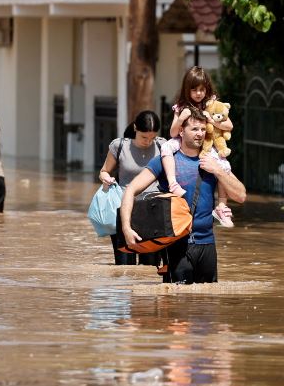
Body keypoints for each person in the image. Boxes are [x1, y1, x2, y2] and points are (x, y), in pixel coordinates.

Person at [120, 107, 247, 284]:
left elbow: (241, 196)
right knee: (176, 306)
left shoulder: (213, 161)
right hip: (176, 244)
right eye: (194, 129)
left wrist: (217, 170)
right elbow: (130, 190)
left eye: (203, 129)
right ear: (181, 131)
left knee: (207, 304)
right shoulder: (166, 161)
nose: (200, 134)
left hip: (207, 244)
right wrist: (126, 228)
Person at [162, 66, 236, 227]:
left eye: (202, 89)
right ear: (186, 89)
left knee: (224, 167)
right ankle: (172, 182)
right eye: (194, 89)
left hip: (208, 144)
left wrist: (212, 120)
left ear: (207, 89)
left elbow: (229, 125)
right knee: (166, 147)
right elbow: (173, 132)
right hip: (184, 142)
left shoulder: (211, 104)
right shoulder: (181, 106)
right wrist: (181, 119)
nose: (198, 93)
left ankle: (222, 206)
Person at [98, 111, 167, 267]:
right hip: (124, 210)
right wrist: (106, 178)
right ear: (135, 128)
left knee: (150, 266)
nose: (148, 141)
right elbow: (104, 171)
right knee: (124, 267)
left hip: (153, 212)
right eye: (144, 137)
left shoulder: (163, 145)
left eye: (152, 137)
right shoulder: (119, 145)